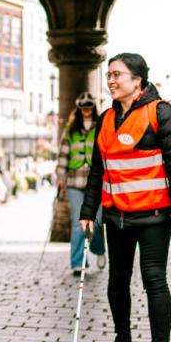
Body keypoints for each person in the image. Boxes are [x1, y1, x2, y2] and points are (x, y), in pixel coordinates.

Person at [80, 53, 171, 342]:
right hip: (117, 217)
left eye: (117, 75)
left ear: (137, 81)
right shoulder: (105, 119)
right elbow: (98, 170)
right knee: (117, 281)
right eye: (109, 75)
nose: (111, 80)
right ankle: (122, 337)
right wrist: (88, 212)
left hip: (154, 217)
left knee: (154, 282)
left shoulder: (161, 114)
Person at [56, 92, 107, 274]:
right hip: (74, 182)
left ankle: (99, 249)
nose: (86, 110)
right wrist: (60, 176)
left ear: (93, 108)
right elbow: (63, 155)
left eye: (89, 107)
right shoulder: (71, 130)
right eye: (83, 107)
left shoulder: (101, 127)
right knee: (79, 223)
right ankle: (78, 262)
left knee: (99, 222)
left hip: (97, 182)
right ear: (79, 109)